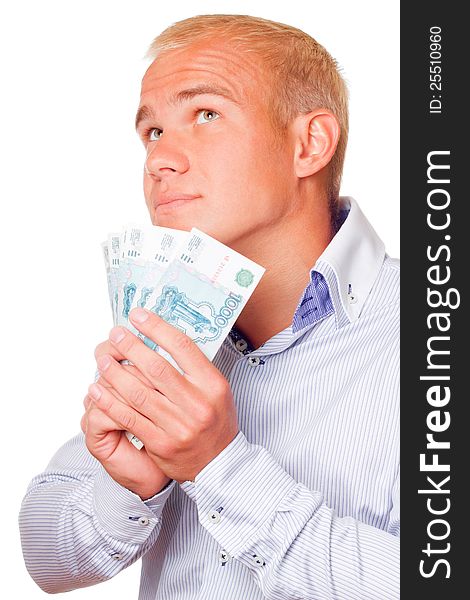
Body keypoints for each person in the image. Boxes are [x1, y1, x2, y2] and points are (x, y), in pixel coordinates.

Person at [19, 14, 399, 600]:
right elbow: (45, 557)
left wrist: (219, 469)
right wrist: (132, 488)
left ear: (309, 144)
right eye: (152, 133)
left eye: (205, 115)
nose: (159, 161)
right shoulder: (171, 328)